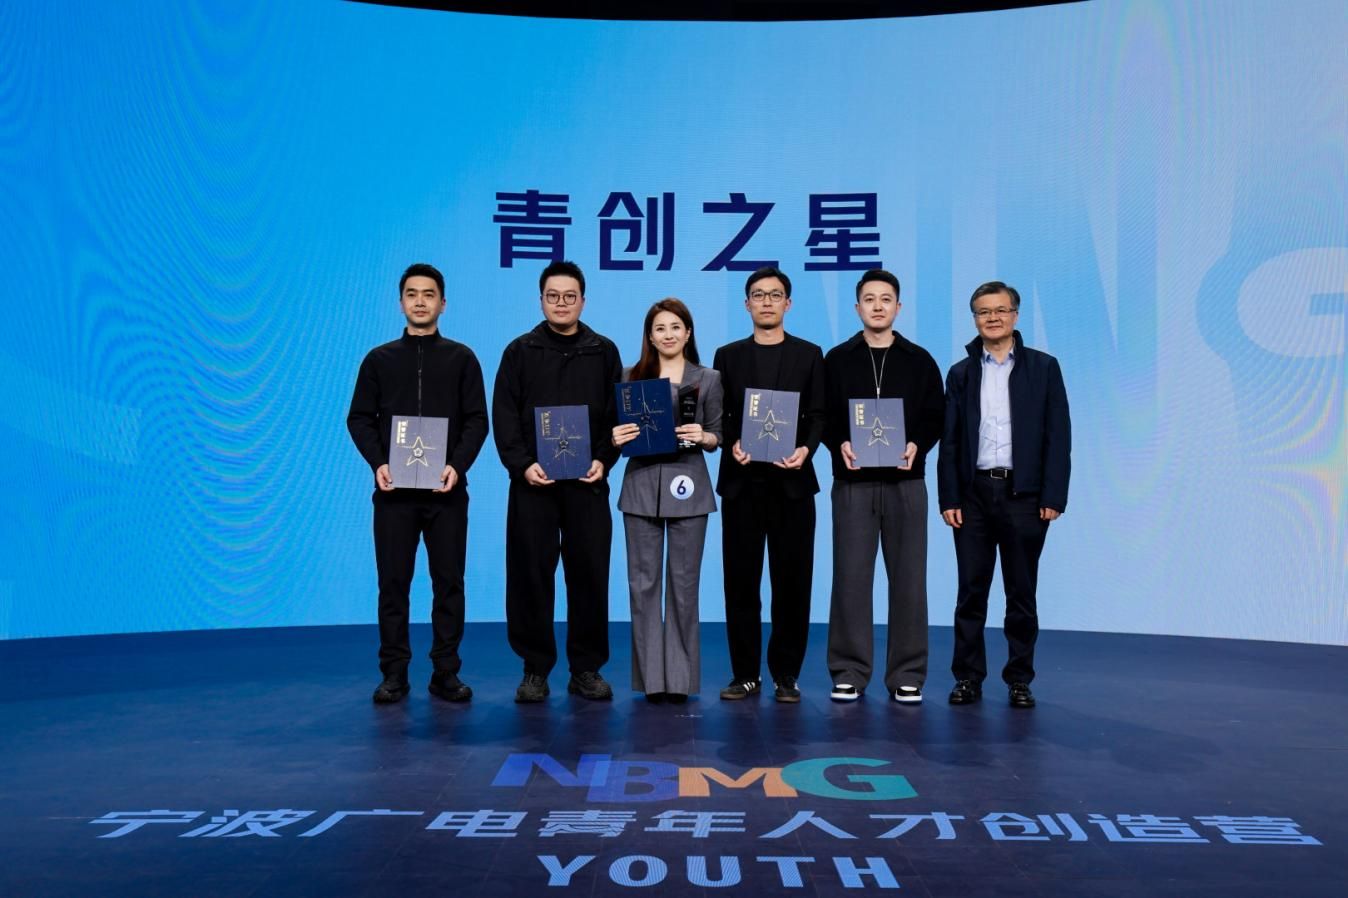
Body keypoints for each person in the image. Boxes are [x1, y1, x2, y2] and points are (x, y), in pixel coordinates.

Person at [346, 263, 489, 704]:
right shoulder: (379, 360)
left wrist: (457, 466)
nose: (421, 301)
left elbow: (477, 421)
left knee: (449, 584)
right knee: (393, 584)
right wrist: (378, 463)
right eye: (412, 294)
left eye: (429, 294)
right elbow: (359, 418)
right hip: (394, 495)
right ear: (401, 303)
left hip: (447, 493)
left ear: (443, 303)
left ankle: (446, 671)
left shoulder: (462, 359)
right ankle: (394, 672)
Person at [493, 260, 623, 703]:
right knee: (531, 575)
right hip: (535, 484)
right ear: (541, 300)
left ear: (583, 301)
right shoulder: (520, 351)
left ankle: (586, 668)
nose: (561, 303)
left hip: (587, 483)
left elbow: (615, 417)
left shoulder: (603, 351)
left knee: (589, 574)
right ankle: (535, 668)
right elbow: (504, 416)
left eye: (570, 296)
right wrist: (522, 465)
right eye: (553, 296)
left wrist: (604, 460)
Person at [938, 281, 1071, 709]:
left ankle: (1019, 679)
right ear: (974, 319)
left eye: (1000, 310)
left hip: (1025, 496)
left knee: (1021, 594)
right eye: (983, 311)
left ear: (1015, 315)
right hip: (973, 496)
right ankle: (967, 677)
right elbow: (950, 441)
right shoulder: (961, 373)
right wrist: (949, 498)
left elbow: (1058, 436)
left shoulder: (1044, 368)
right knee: (970, 593)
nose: (992, 318)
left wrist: (1053, 495)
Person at [822, 269, 944, 704]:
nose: (878, 306)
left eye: (886, 298)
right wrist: (838, 441)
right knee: (850, 579)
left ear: (898, 307)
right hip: (852, 483)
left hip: (905, 483)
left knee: (909, 580)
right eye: (870, 299)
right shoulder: (837, 359)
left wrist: (917, 444)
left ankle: (907, 673)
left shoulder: (919, 360)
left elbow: (935, 414)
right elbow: (823, 413)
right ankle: (849, 671)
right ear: (857, 307)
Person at [713, 267, 826, 703]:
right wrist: (732, 443)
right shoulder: (728, 356)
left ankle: (786, 675)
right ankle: (745, 674)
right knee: (740, 584)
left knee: (792, 585)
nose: (766, 302)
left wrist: (806, 450)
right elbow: (720, 414)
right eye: (758, 295)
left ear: (788, 304)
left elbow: (819, 413)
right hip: (742, 484)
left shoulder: (809, 354)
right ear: (747, 304)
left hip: (792, 484)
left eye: (775, 295)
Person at [612, 299, 723, 704]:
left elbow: (718, 434)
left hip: (688, 486)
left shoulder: (708, 378)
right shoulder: (631, 377)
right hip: (641, 485)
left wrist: (704, 436)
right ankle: (651, 681)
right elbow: (616, 430)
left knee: (683, 585)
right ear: (650, 336)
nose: (669, 334)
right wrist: (615, 436)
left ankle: (679, 680)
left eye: (676, 326)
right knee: (642, 586)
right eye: (660, 328)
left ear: (688, 332)